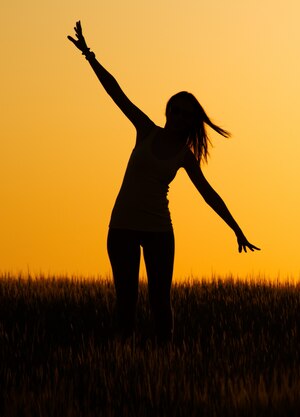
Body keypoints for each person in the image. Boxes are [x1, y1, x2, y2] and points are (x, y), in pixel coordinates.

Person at [68, 21, 259, 344]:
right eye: (177, 109)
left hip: (159, 231)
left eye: (187, 114)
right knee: (125, 302)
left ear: (191, 122)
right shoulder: (146, 129)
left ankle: (165, 360)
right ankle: (124, 359)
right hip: (123, 227)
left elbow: (209, 195)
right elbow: (117, 93)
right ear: (169, 110)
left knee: (160, 301)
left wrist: (236, 228)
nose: (180, 116)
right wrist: (89, 55)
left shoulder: (185, 156)